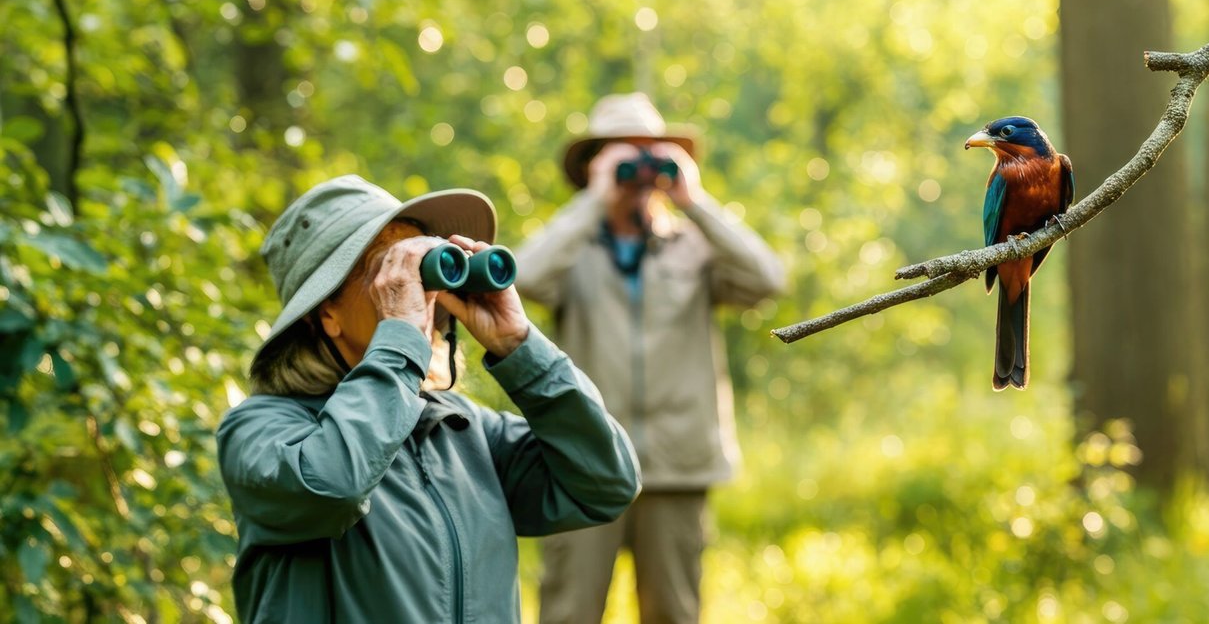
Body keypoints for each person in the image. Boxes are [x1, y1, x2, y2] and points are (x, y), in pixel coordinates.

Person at [217, 174, 640, 623]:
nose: (415, 286)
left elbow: (607, 482)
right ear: (328, 313)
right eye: (385, 268)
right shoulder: (260, 429)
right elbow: (332, 486)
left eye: (419, 259)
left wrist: (520, 346)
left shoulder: (463, 430)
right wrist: (400, 337)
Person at [517, 93, 787, 624]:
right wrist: (593, 202)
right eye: (623, 157)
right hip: (584, 463)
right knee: (567, 612)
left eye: (648, 156)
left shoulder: (694, 245)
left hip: (677, 466)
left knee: (674, 614)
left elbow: (768, 280)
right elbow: (522, 279)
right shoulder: (572, 249)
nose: (639, 171)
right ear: (594, 165)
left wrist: (696, 201)